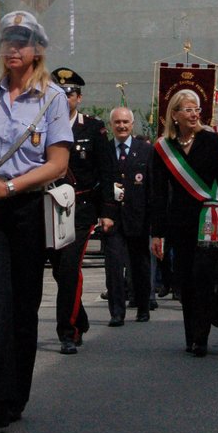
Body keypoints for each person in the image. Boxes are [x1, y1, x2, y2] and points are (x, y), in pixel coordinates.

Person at [0, 12, 73, 428]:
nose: (12, 49)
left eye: (22, 41)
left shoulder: (52, 99)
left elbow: (58, 163)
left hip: (24, 209)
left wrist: (12, 186)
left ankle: (15, 395)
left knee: (23, 303)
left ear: (37, 49)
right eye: (7, 40)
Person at [150, 90, 218, 356]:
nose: (193, 114)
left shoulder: (210, 141)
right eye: (187, 110)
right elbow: (157, 193)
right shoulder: (163, 148)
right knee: (186, 281)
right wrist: (158, 233)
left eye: (196, 109)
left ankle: (201, 337)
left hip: (211, 220)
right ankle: (191, 334)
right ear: (175, 115)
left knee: (204, 278)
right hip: (180, 222)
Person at [49, 68, 109, 354]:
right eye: (58, 93)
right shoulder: (42, 126)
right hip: (49, 207)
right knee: (60, 271)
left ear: (78, 98)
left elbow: (106, 172)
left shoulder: (92, 128)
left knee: (70, 267)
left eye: (69, 93)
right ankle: (80, 318)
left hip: (81, 207)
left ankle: (68, 332)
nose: (64, 98)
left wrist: (107, 211)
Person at [100, 106, 153, 324]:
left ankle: (142, 306)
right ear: (111, 125)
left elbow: (151, 186)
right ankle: (117, 312)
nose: (121, 126)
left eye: (125, 122)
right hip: (112, 218)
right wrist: (103, 213)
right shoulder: (103, 149)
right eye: (117, 122)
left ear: (132, 125)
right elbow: (100, 184)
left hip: (138, 218)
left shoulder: (145, 150)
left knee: (139, 265)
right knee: (113, 266)